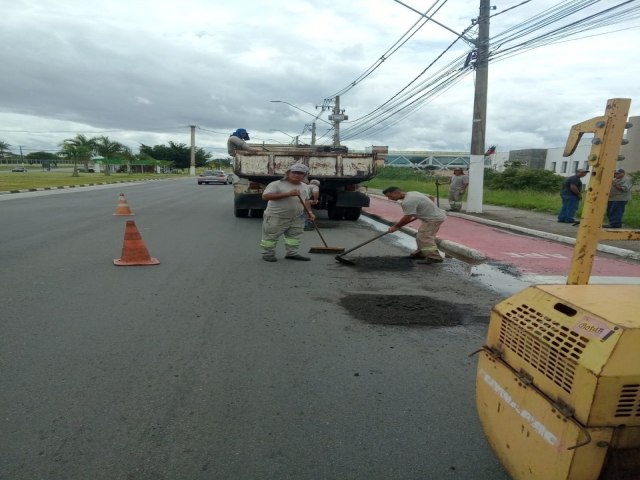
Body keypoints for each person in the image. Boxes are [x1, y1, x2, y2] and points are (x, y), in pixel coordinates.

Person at [260, 163, 315, 262]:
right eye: (294, 172)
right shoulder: (276, 184)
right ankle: (268, 254)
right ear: (288, 173)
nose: (297, 175)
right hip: (277, 216)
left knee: (294, 237)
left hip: (297, 217)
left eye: (300, 173)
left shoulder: (305, 186)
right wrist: (288, 194)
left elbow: (306, 200)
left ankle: (292, 253)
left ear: (304, 175)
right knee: (271, 236)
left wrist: (310, 212)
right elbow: (265, 197)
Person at [382, 186, 446, 264]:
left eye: (390, 196)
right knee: (422, 236)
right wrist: (424, 208)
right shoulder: (412, 193)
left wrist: (396, 226)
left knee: (423, 237)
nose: (389, 198)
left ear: (397, 193)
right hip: (433, 217)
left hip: (433, 219)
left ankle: (434, 257)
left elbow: (407, 217)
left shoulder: (407, 201)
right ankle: (421, 253)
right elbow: (431, 197)